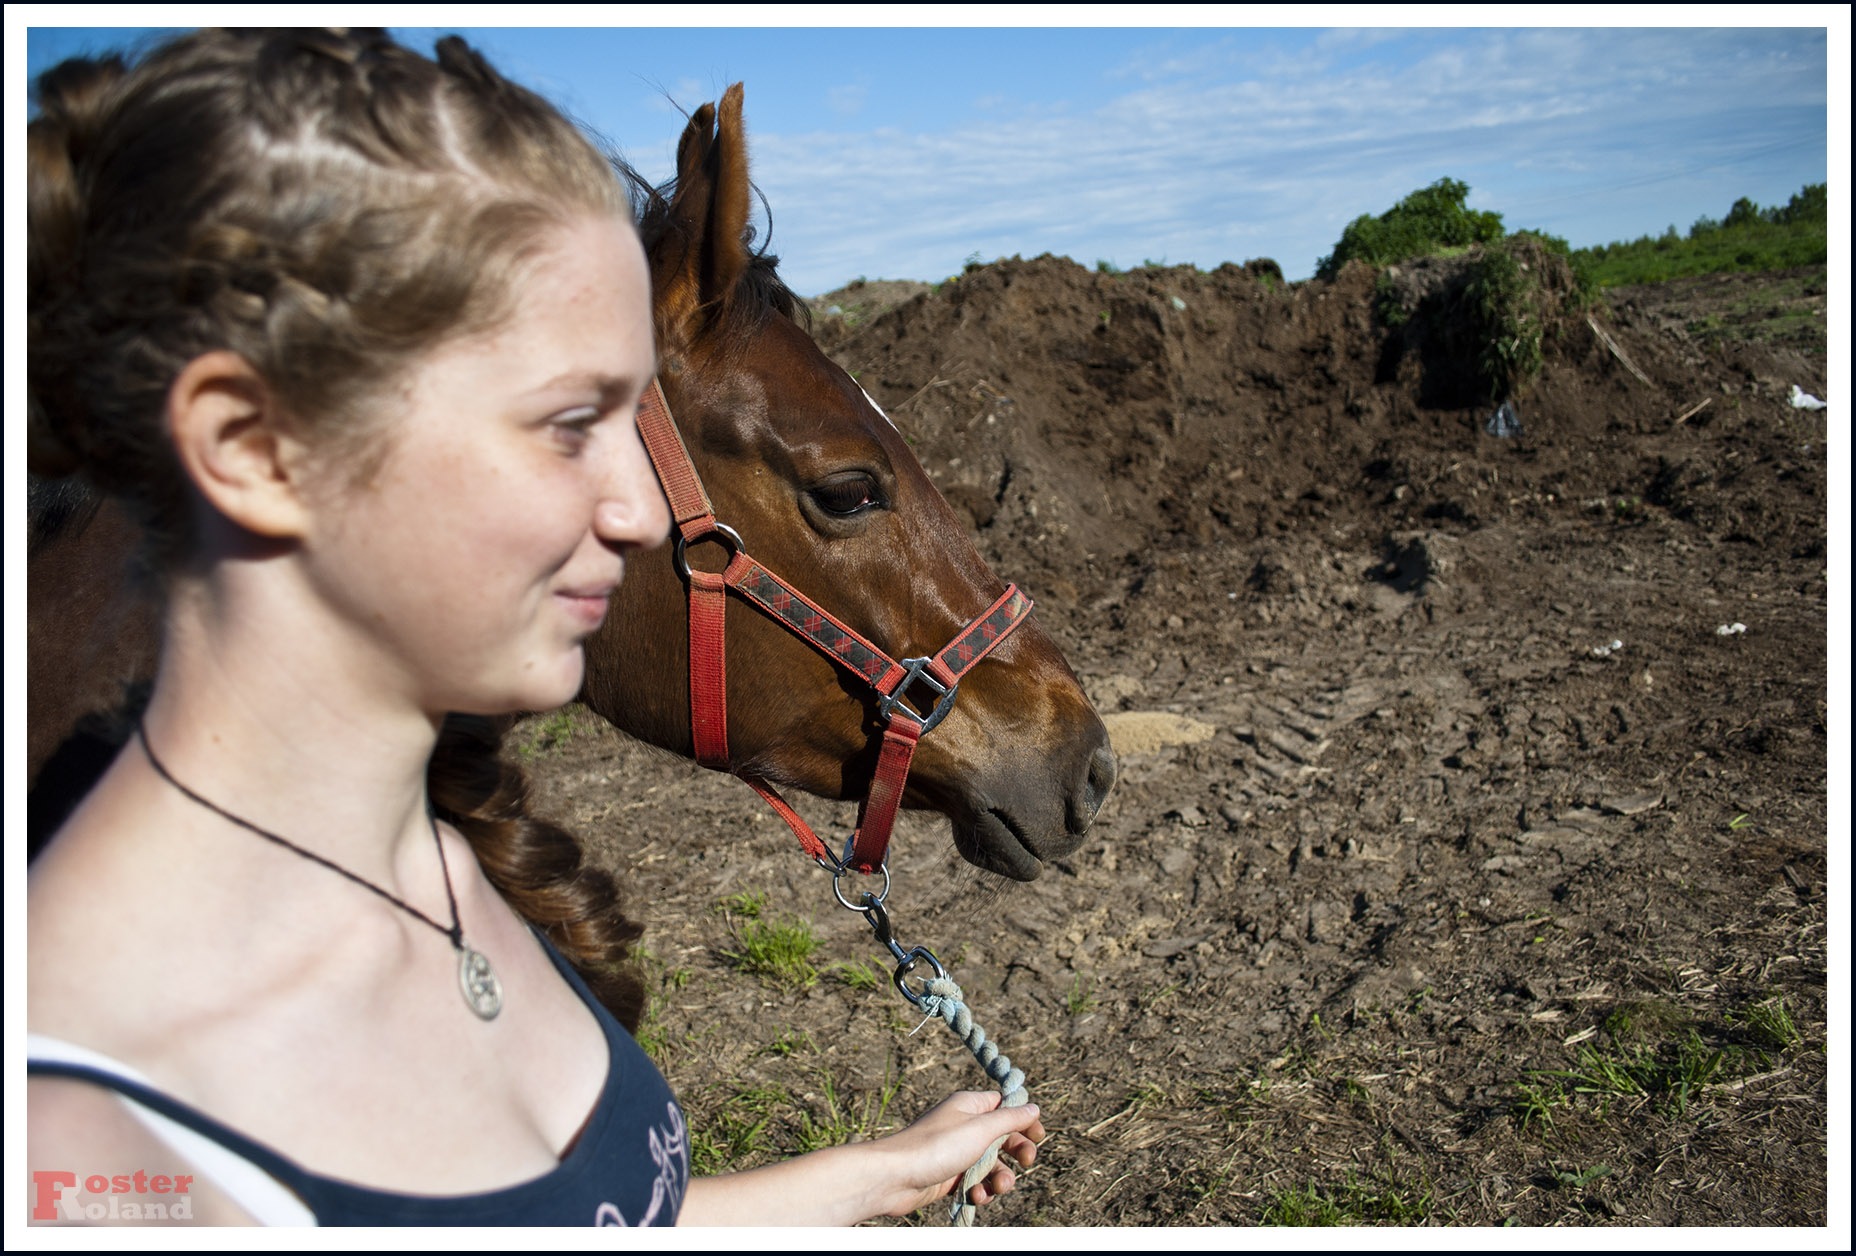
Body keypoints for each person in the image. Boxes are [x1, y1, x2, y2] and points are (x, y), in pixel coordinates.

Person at [26, 27, 1042, 1227]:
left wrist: (860, 1182)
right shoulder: (92, 1145)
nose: (635, 512)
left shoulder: (438, 869)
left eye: (630, 422)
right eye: (567, 423)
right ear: (252, 447)